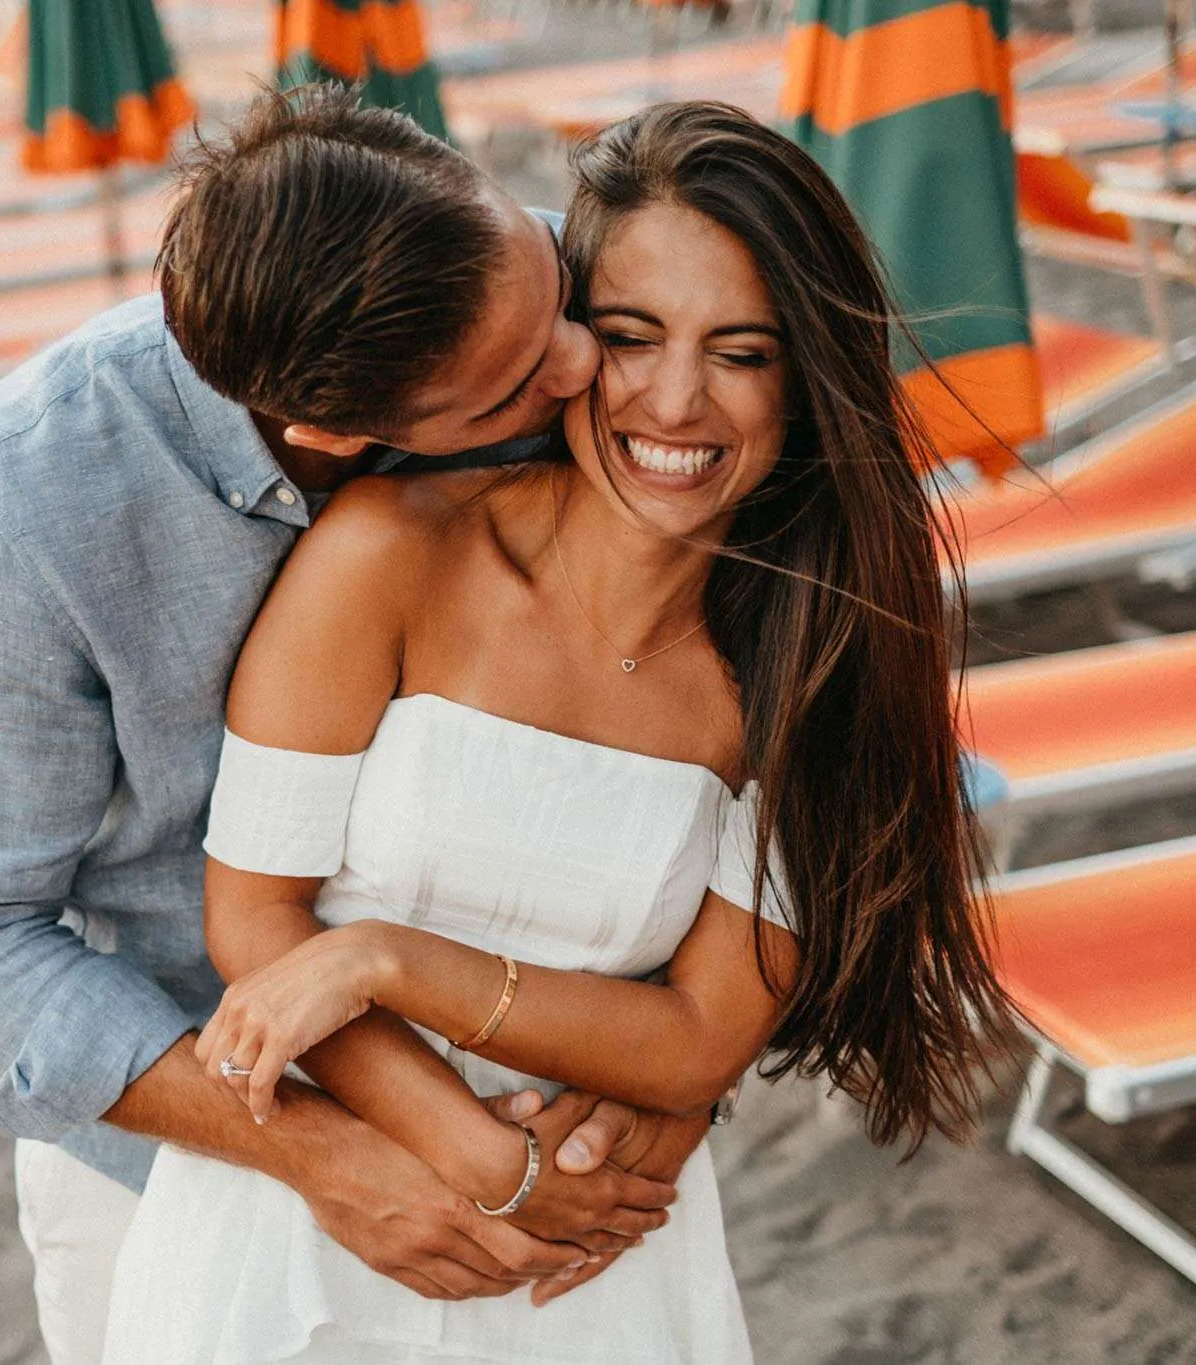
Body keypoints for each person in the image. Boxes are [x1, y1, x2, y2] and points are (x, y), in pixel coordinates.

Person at [99, 101, 1018, 1363]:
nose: (674, 400)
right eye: (631, 336)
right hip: (324, 1218)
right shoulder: (385, 554)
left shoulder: (812, 666)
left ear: (808, 380)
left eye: (742, 353)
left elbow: (700, 1037)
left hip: (595, 1256)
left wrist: (385, 959)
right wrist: (481, 1160)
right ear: (572, 335)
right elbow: (253, 918)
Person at [0, 87, 717, 1365]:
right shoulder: (33, 495)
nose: (585, 367)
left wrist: (680, 1078)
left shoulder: (591, 293)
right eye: (509, 389)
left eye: (551, 288)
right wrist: (321, 1153)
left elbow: (794, 690)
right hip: (185, 1142)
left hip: (572, 1134)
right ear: (336, 436)